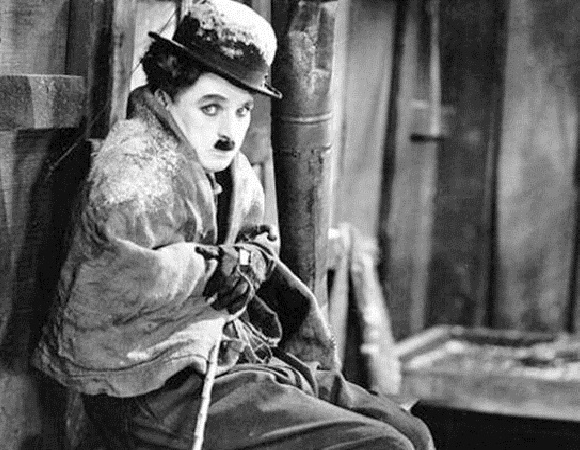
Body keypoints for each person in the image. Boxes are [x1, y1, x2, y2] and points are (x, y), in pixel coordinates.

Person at [32, 1, 434, 449]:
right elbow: (109, 282)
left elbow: (257, 241)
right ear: (166, 94)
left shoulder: (231, 170)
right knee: (385, 446)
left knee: (412, 432)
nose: (229, 130)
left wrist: (250, 258)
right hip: (152, 386)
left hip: (231, 356)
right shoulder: (136, 172)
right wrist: (209, 268)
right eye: (211, 107)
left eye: (242, 111)